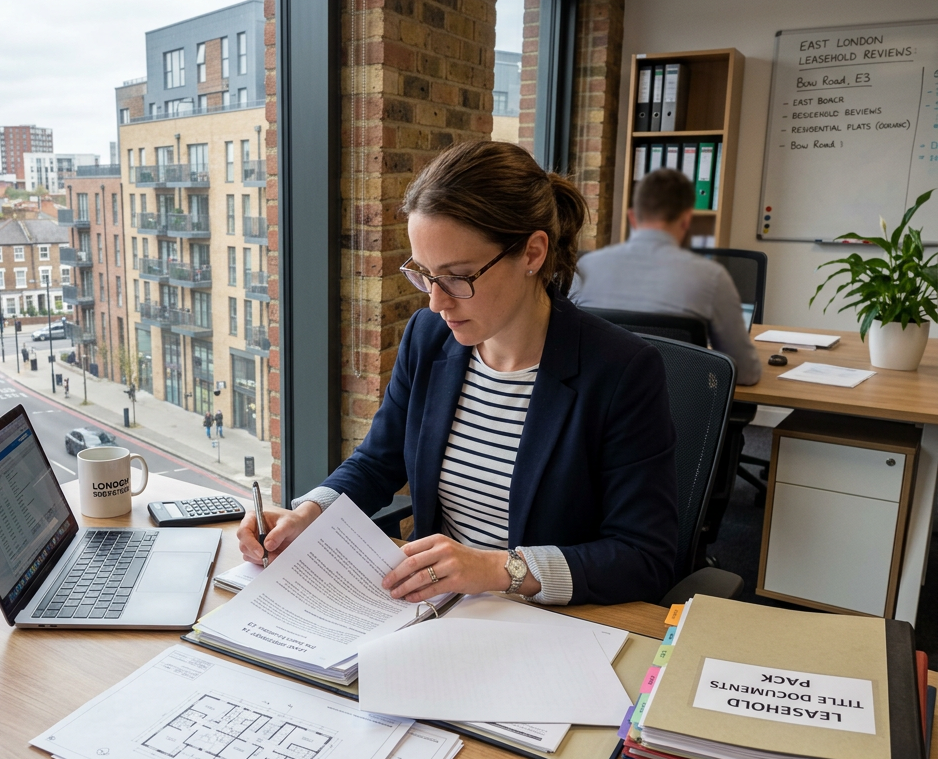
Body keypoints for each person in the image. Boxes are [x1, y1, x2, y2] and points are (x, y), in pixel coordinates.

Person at [237, 140, 678, 606]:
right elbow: (378, 460)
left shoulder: (622, 371)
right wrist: (309, 513)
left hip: (551, 623)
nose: (436, 301)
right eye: (424, 274)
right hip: (436, 609)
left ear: (532, 253)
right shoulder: (430, 336)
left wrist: (496, 569)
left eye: (458, 277)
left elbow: (643, 556)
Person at [570, 167, 761, 385]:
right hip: (678, 415)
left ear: (632, 217)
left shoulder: (585, 268)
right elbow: (745, 373)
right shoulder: (711, 277)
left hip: (599, 412)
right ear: (686, 220)